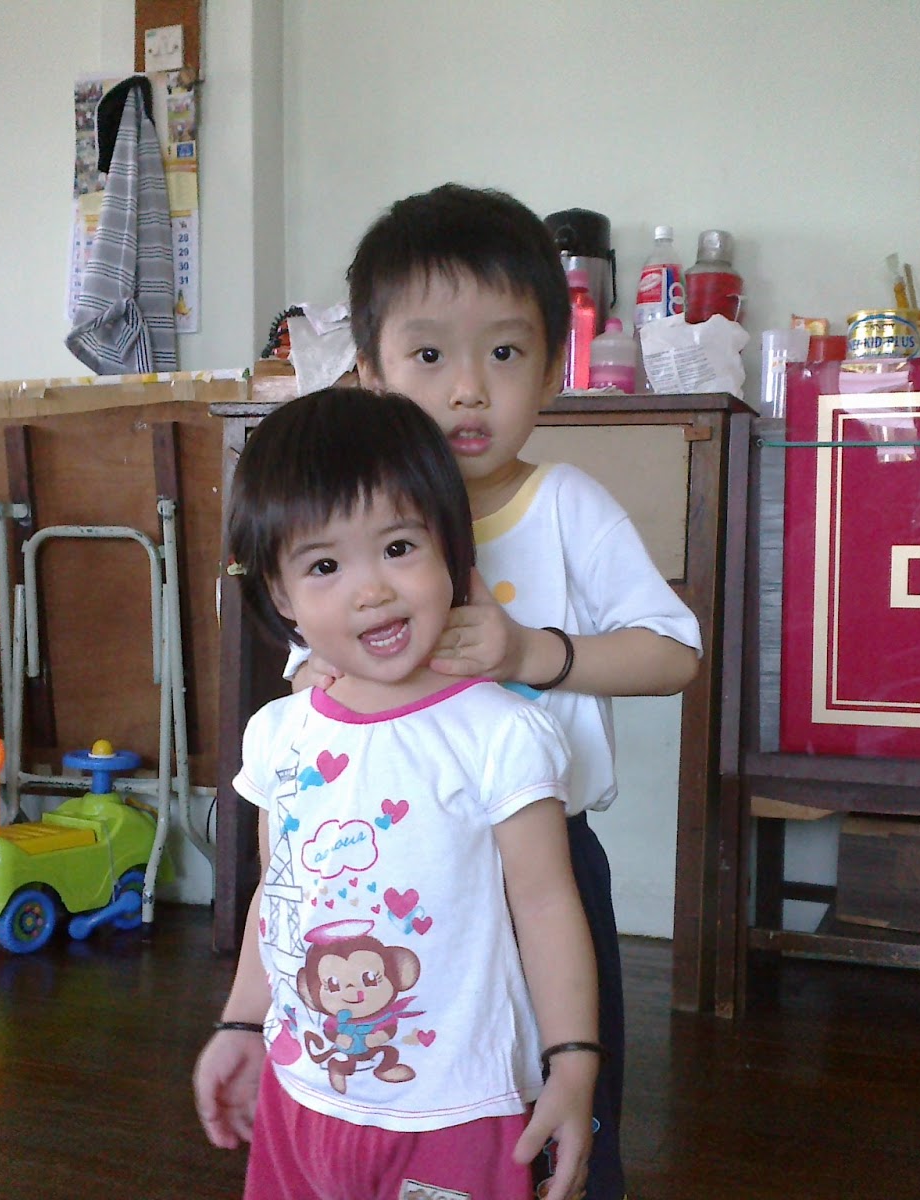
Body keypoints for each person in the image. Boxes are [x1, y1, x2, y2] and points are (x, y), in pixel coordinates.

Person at [294, 183, 704, 1200]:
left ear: (556, 368)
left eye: (507, 353)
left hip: (545, 864)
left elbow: (673, 655)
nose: (469, 389)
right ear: (369, 373)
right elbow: (315, 665)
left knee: (560, 1105)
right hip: (399, 870)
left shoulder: (565, 505)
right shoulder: (358, 519)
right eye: (429, 355)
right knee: (414, 1094)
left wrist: (531, 653)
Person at [193, 386, 600, 1200]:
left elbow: (548, 905)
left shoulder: (500, 733)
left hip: (457, 1111)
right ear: (281, 596)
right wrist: (241, 1022)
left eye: (399, 547)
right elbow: (279, 895)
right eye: (324, 566)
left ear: (451, 549)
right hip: (300, 1094)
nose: (370, 589)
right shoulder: (279, 735)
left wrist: (574, 1063)